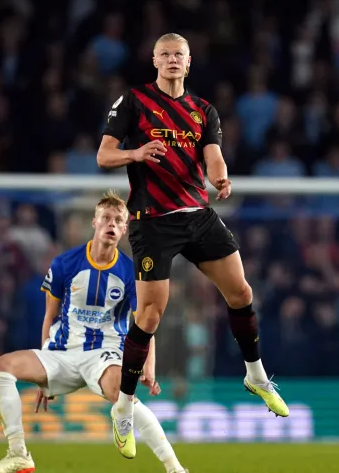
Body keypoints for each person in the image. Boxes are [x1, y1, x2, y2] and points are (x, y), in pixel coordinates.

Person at [97, 33, 288, 458]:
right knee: (150, 314)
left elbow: (213, 154)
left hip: (196, 214)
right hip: (152, 220)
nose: (171, 60)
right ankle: (124, 407)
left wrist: (219, 176)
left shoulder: (203, 110)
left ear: (188, 63)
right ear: (154, 60)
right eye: (164, 54)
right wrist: (137, 154)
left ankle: (255, 375)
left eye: (177, 55)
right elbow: (104, 155)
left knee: (241, 292)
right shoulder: (133, 102)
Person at [0, 191, 187, 473]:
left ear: (125, 229)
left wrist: (149, 367)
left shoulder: (131, 272)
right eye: (106, 218)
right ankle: (18, 454)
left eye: (118, 220)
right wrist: (44, 369)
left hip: (104, 354)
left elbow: (145, 325)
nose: (111, 224)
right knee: (2, 366)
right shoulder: (64, 263)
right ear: (95, 222)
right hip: (63, 353)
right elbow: (49, 317)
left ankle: (175, 468)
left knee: (123, 394)